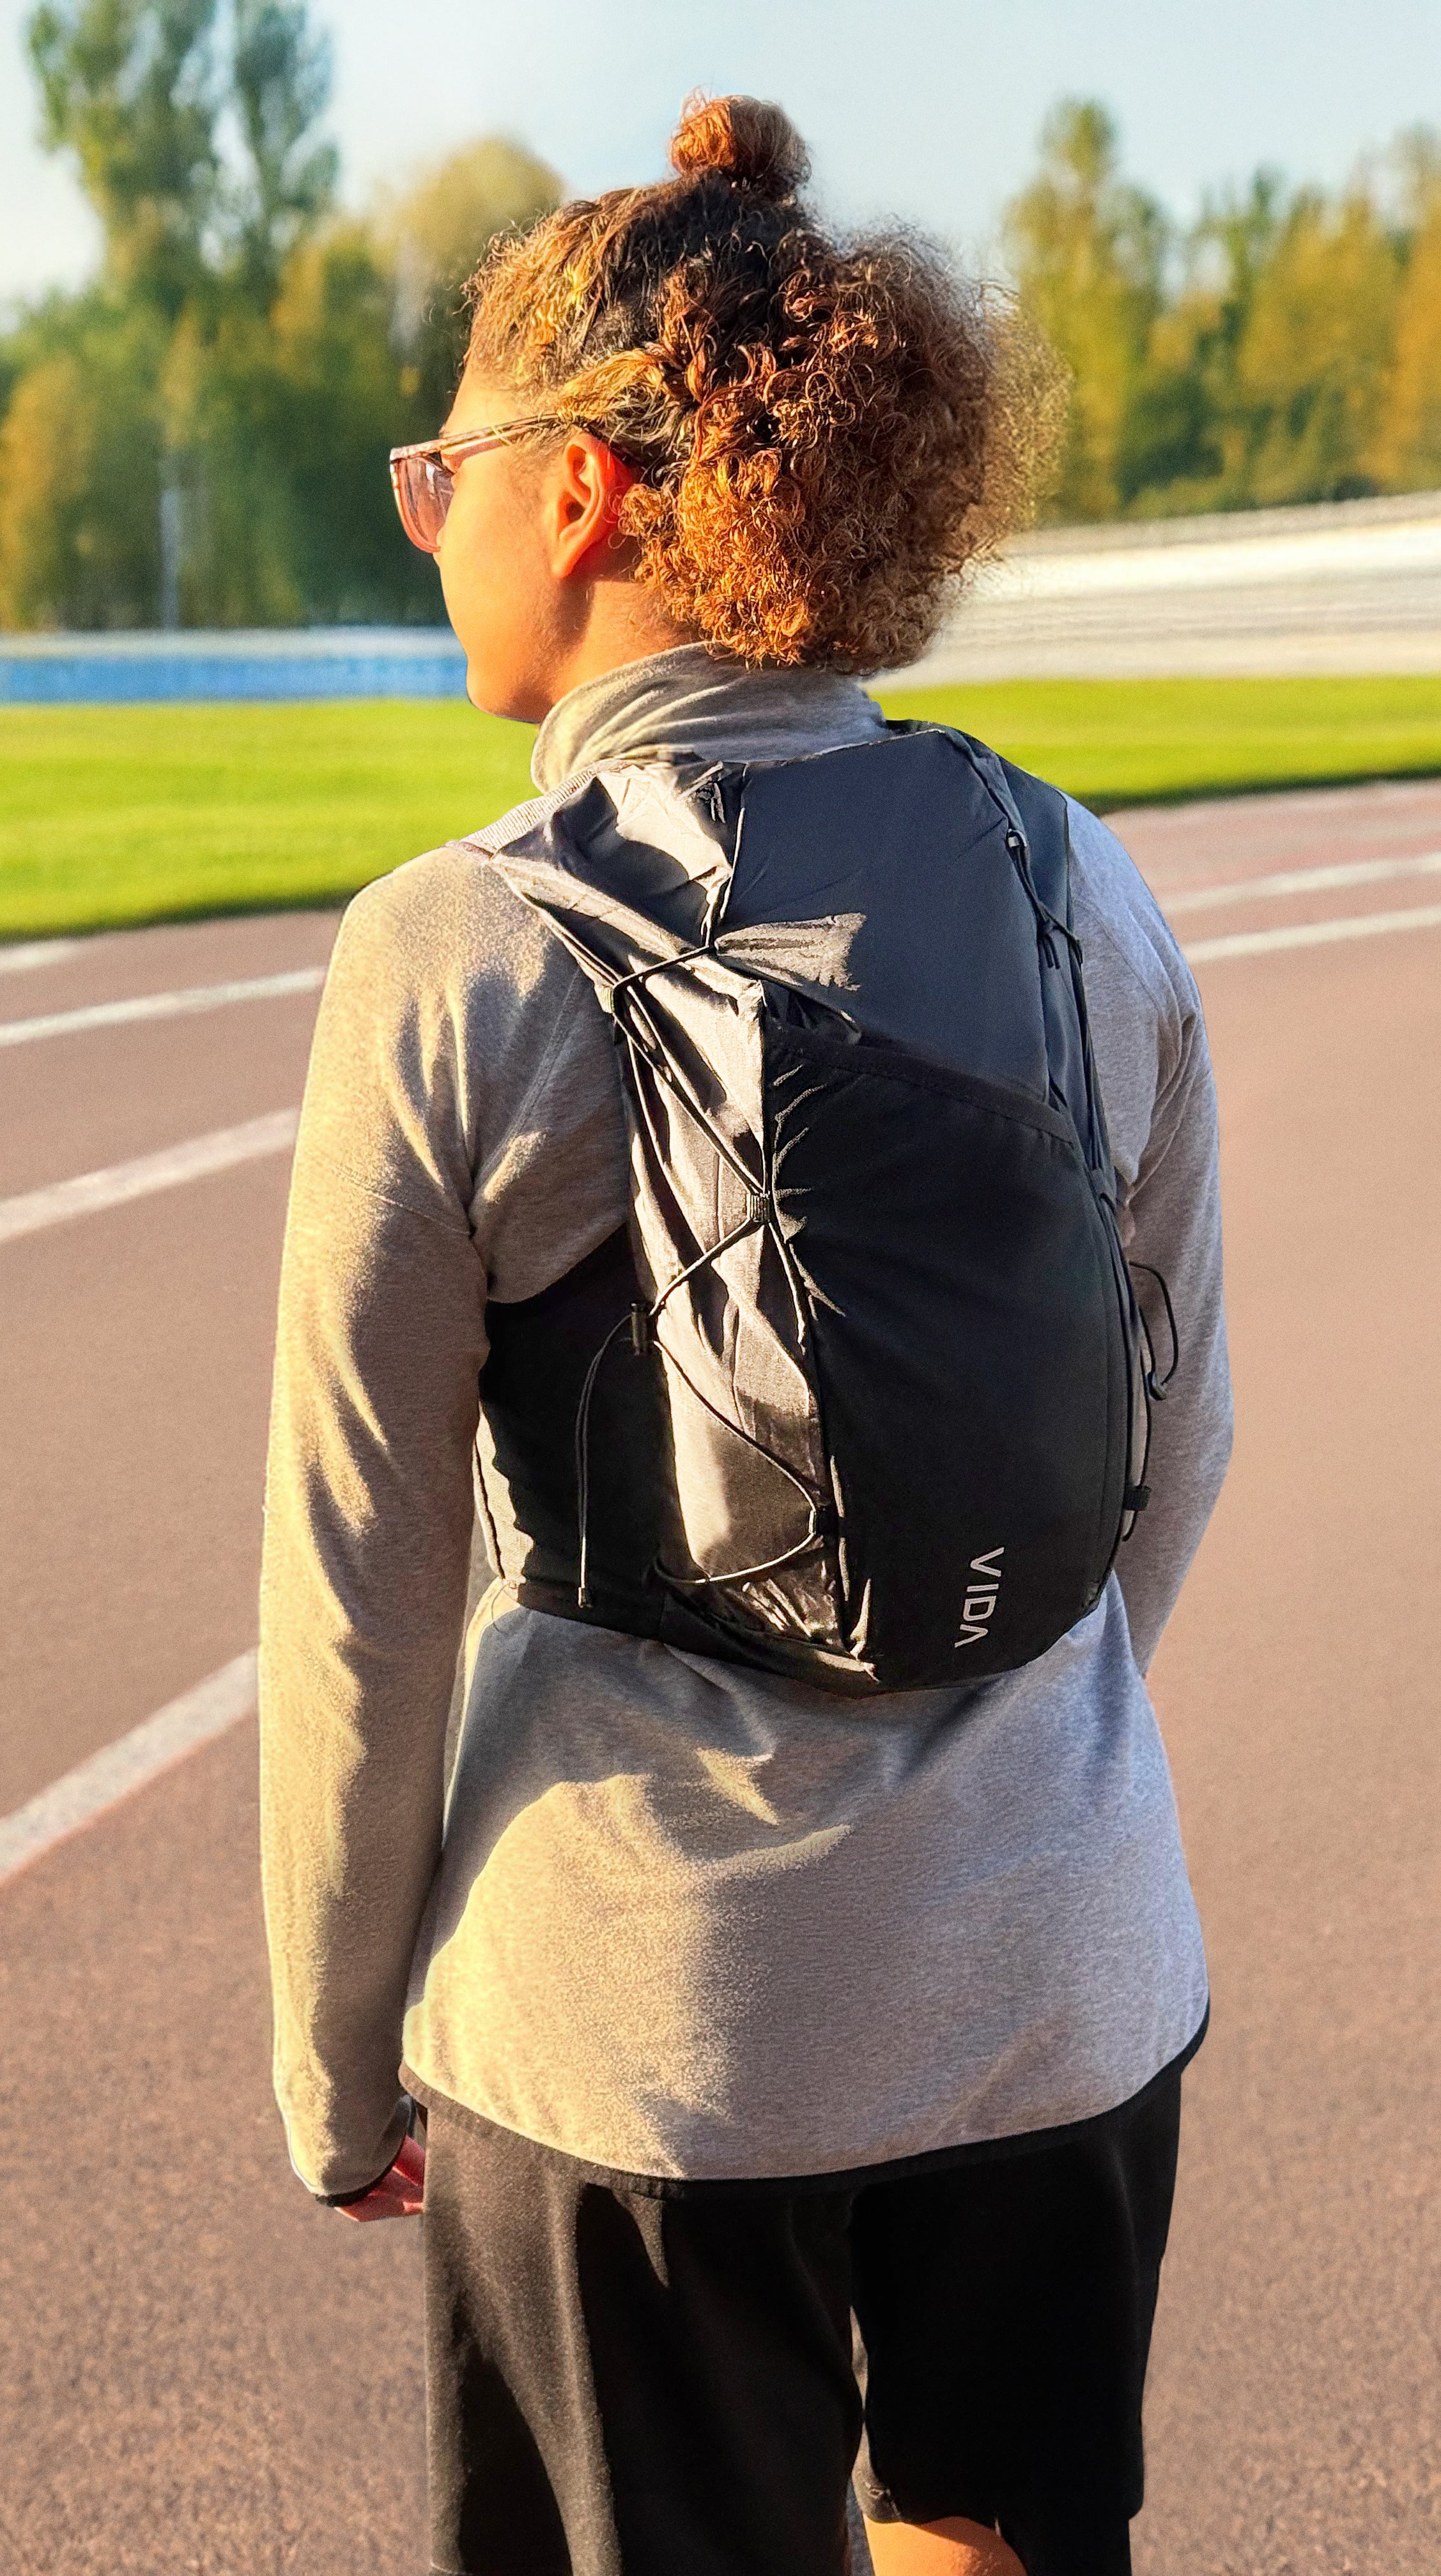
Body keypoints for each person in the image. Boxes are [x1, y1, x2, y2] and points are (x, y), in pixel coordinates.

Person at [258, 92, 1231, 2576]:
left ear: (577, 490)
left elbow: (362, 1596)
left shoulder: (450, 954)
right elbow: (1174, 1436)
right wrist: (982, 1737)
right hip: (1062, 1979)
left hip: (642, 2034)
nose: (427, 515)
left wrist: (334, 2056)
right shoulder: (1072, 874)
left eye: (438, 466)